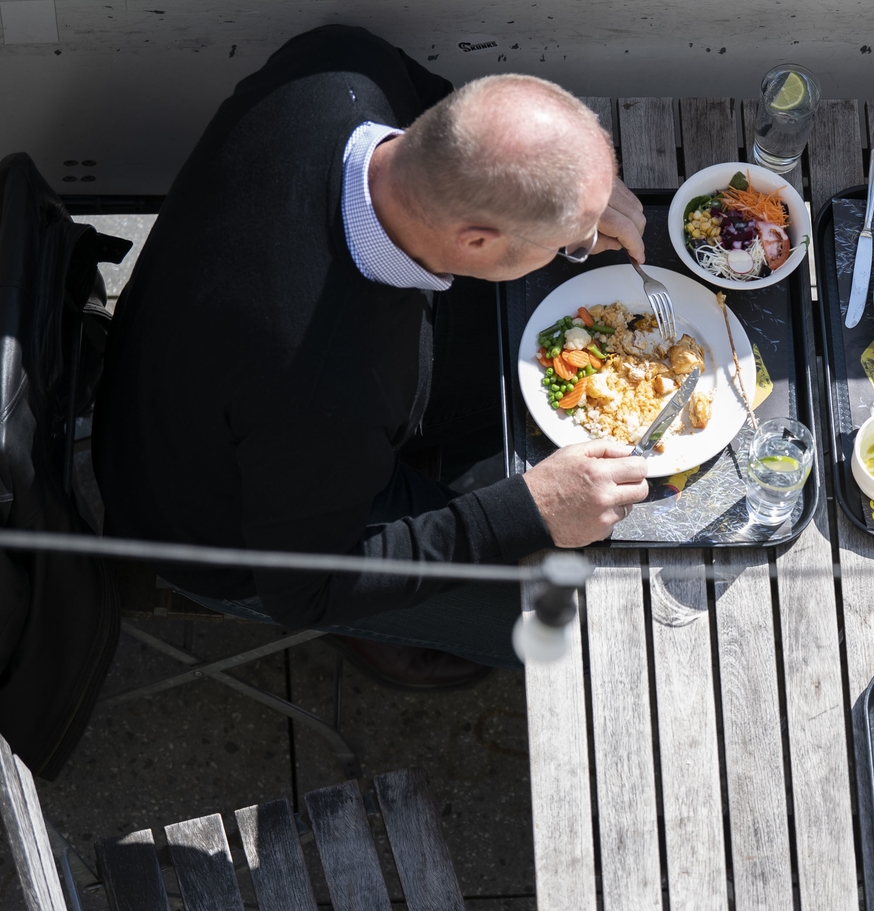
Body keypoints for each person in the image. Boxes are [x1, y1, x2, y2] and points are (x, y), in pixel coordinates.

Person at [94, 25, 649, 687]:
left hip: (188, 359)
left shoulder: (340, 65)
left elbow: (456, 114)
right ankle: (380, 637)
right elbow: (306, 589)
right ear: (474, 241)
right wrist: (528, 510)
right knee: (566, 617)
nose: (579, 245)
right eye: (570, 243)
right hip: (215, 526)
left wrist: (579, 181)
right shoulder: (328, 385)